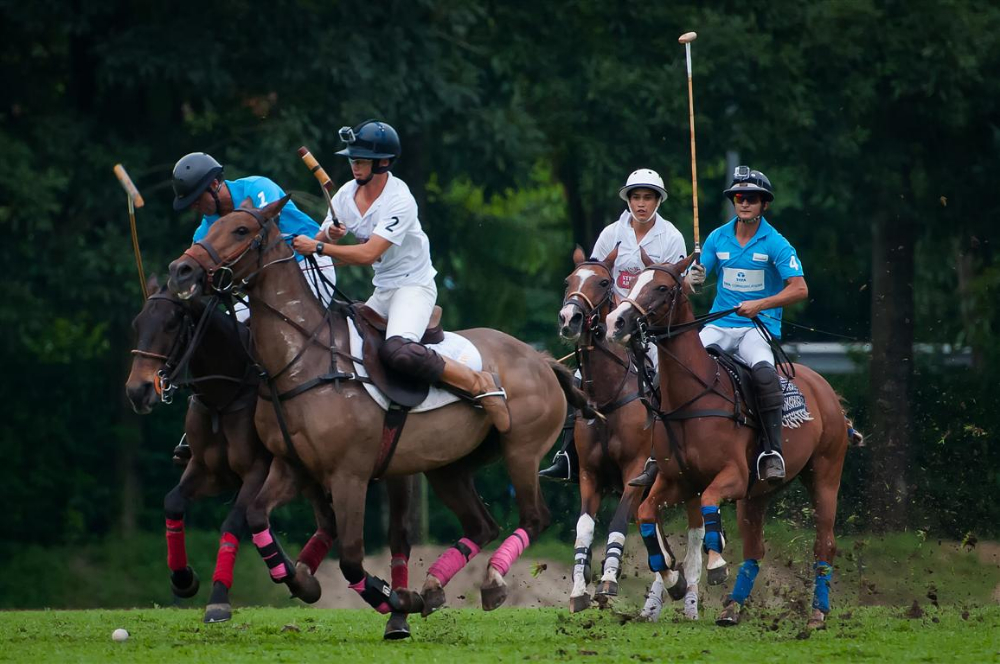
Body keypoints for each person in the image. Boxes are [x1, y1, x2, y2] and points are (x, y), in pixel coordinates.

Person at [290, 119, 511, 432]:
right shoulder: (344, 195)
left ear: (383, 163)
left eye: (361, 160)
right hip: (383, 290)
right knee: (341, 338)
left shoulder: (400, 200)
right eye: (352, 159)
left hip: (414, 287)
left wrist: (321, 247)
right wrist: (330, 233)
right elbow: (326, 235)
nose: (354, 166)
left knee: (399, 351)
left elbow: (367, 254)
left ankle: (480, 385)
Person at [169, 152, 338, 462]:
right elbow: (197, 267)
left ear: (215, 184)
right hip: (261, 286)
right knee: (231, 339)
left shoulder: (257, 189)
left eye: (196, 199)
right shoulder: (205, 230)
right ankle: (224, 419)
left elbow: (264, 228)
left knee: (293, 336)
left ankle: (330, 401)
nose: (195, 207)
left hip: (308, 264)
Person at [540, 169, 687, 482]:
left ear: (658, 200)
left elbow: (677, 287)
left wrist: (692, 279)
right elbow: (596, 276)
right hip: (611, 325)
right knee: (580, 380)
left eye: (648, 197)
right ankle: (567, 453)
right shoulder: (611, 233)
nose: (641, 203)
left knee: (662, 380)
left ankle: (661, 454)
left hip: (650, 328)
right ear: (629, 200)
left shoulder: (672, 237)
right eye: (636, 197)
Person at [683, 165, 808, 482]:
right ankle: (661, 446)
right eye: (739, 196)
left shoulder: (776, 243)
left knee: (765, 375)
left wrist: (760, 305)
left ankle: (771, 451)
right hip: (720, 325)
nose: (745, 202)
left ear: (764, 203)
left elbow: (799, 288)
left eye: (752, 197)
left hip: (757, 329)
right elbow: (691, 282)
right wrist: (692, 279)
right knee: (679, 367)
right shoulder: (717, 237)